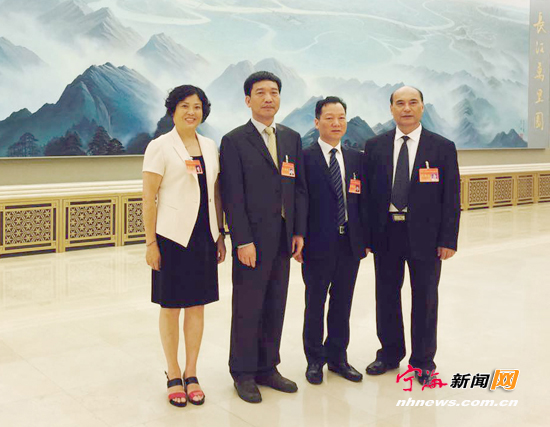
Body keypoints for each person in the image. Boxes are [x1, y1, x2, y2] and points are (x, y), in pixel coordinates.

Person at [220, 71, 308, 403]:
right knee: (248, 305)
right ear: (248, 100)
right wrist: (242, 240)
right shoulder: (234, 140)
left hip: (283, 238)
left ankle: (268, 367)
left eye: (274, 92)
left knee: (275, 303)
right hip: (252, 241)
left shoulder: (291, 138)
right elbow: (232, 196)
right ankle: (242, 372)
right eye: (260, 93)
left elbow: (298, 189)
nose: (268, 98)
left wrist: (298, 231)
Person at [363, 86, 460, 385]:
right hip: (386, 233)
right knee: (386, 296)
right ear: (391, 108)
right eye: (400, 103)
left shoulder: (442, 147)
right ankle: (389, 353)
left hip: (426, 237)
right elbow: (368, 195)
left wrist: (448, 239)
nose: (406, 108)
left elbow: (451, 196)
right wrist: (366, 237)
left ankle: (423, 361)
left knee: (426, 298)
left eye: (413, 102)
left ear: (422, 107)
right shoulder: (375, 146)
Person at [142, 85, 226, 407]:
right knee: (170, 306)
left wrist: (220, 233)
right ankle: (173, 372)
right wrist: (151, 243)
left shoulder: (210, 146)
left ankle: (192, 372)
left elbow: (215, 193)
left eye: (197, 106)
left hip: (204, 236)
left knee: (197, 306)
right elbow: (148, 198)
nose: (192, 112)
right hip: (172, 238)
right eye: (184, 106)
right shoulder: (160, 146)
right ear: (173, 110)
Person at [298, 97, 369, 385]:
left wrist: (365, 238)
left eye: (341, 118)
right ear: (317, 122)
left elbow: (362, 201)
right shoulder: (305, 157)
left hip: (349, 243)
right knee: (315, 303)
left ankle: (338, 358)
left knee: (343, 303)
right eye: (329, 118)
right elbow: (299, 201)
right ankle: (315, 360)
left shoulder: (355, 158)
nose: (336, 123)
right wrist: (298, 237)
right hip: (316, 244)